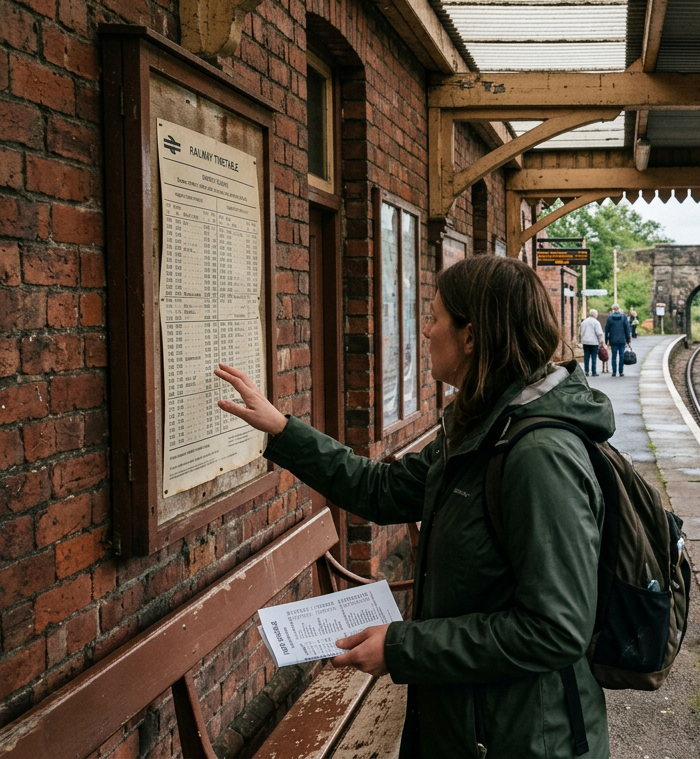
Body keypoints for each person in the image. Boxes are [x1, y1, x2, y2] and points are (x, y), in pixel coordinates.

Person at [213, 255, 612, 758]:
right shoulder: (481, 427)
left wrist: (401, 647)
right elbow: (383, 489)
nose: (425, 330)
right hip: (468, 722)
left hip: (525, 737)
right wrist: (282, 430)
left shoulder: (538, 456)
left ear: (471, 336)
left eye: (435, 317)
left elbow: (555, 630)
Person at [604, 304, 632, 377]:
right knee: (621, 356)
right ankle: (621, 371)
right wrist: (628, 340)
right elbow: (627, 329)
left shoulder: (610, 318)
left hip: (613, 340)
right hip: (622, 340)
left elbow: (606, 330)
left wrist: (606, 340)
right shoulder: (624, 317)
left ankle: (614, 372)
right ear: (619, 308)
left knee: (614, 356)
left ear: (613, 309)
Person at [579, 307, 604, 377]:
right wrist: (601, 341)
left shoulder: (584, 322)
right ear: (595, 315)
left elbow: (581, 332)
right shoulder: (596, 322)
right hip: (594, 342)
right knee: (594, 357)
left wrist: (582, 339)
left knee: (586, 357)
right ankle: (594, 371)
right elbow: (599, 333)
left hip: (585, 342)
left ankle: (586, 371)